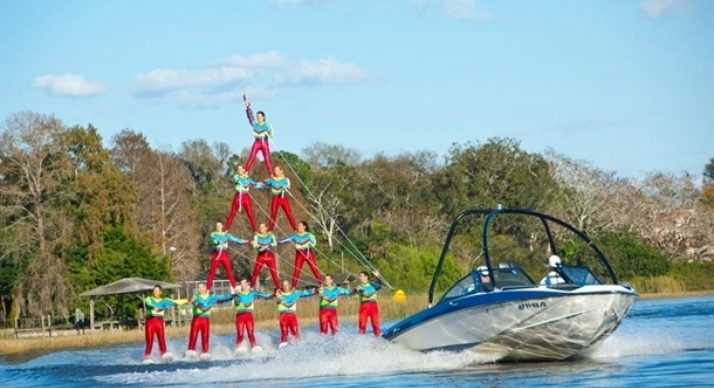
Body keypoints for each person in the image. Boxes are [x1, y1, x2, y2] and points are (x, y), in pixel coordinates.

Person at [186, 282, 235, 360]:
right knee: (193, 335)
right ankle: (191, 351)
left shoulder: (212, 297)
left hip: (205, 319)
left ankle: (205, 352)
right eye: (198, 288)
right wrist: (191, 300)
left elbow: (223, 297)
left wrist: (232, 295)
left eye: (201, 287)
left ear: (205, 288)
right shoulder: (196, 296)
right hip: (197, 319)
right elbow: (193, 300)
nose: (199, 289)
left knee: (205, 336)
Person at [143, 285, 189, 363]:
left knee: (161, 339)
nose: (155, 292)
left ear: (161, 292)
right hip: (150, 321)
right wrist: (153, 307)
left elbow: (176, 302)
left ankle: (164, 354)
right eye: (154, 291)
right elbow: (148, 305)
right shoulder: (148, 299)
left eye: (157, 291)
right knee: (149, 341)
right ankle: (147, 357)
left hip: (159, 322)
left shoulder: (165, 301)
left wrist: (188, 300)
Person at [232, 278, 273, 354]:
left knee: (250, 333)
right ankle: (237, 348)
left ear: (247, 284)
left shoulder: (252, 293)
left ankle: (254, 346)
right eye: (241, 283)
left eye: (243, 283)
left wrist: (273, 294)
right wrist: (237, 297)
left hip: (249, 316)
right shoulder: (237, 294)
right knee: (240, 334)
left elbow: (264, 295)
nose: (242, 285)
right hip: (240, 316)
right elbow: (236, 303)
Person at [207, 222, 249, 290]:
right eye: (217, 225)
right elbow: (213, 241)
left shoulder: (227, 235)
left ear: (222, 226)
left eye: (219, 225)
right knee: (212, 272)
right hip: (216, 254)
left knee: (229, 270)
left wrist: (247, 241)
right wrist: (218, 242)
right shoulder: (213, 234)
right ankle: (208, 288)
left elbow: (237, 240)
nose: (218, 227)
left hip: (224, 254)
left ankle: (234, 286)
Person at [279, 221, 322, 287]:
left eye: (300, 226)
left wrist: (311, 244)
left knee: (314, 269)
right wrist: (278, 241)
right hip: (300, 254)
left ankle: (321, 284)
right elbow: (286, 240)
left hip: (308, 252)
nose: (298, 227)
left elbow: (314, 243)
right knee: (297, 271)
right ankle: (293, 287)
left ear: (304, 227)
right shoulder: (295, 236)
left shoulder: (309, 235)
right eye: (298, 226)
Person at [274, 280, 316, 348]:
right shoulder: (278, 294)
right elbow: (287, 304)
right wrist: (277, 293)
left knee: (295, 330)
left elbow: (305, 292)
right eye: (283, 285)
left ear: (289, 285)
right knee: (284, 331)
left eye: (286, 285)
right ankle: (283, 345)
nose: (285, 287)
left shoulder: (295, 293)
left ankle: (298, 344)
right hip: (283, 316)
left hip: (292, 315)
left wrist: (315, 290)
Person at [243, 93, 274, 174]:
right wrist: (248, 108)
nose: (258, 118)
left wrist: (270, 131)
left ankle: (271, 174)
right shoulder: (255, 124)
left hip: (264, 143)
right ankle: (246, 172)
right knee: (252, 157)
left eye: (259, 117)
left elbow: (272, 135)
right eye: (257, 117)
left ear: (263, 117)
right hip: (257, 142)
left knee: (267, 159)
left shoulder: (267, 125)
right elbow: (250, 117)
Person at [225, 163, 260, 233]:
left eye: (240, 169)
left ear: (244, 170)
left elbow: (254, 183)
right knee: (232, 213)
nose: (239, 171)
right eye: (238, 169)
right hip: (238, 196)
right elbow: (237, 180)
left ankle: (255, 231)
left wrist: (260, 184)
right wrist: (246, 180)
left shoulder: (248, 178)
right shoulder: (236, 176)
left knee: (250, 214)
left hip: (245, 196)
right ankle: (226, 229)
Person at [262, 166, 297, 231]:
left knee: (288, 213)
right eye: (275, 170)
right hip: (275, 198)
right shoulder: (272, 180)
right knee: (273, 213)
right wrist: (265, 181)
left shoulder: (286, 179)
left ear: (281, 171)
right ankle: (270, 230)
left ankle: (295, 229)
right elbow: (264, 183)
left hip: (283, 197)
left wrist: (284, 187)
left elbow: (288, 187)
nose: (276, 172)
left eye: (277, 170)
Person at [250, 223, 281, 289]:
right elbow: (254, 245)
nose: (261, 228)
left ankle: (278, 288)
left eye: (263, 227)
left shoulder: (270, 235)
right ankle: (251, 288)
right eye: (260, 227)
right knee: (255, 272)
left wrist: (269, 245)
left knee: (274, 273)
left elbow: (275, 243)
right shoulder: (257, 236)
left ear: (266, 228)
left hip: (270, 257)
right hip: (261, 256)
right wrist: (260, 246)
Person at [354, 270, 383, 337]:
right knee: (362, 326)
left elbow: (380, 285)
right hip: (364, 306)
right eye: (359, 276)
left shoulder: (372, 284)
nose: (360, 278)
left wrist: (377, 276)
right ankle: (361, 341)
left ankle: (378, 340)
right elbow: (351, 293)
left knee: (375, 325)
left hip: (373, 306)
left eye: (361, 276)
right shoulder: (358, 287)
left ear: (366, 277)